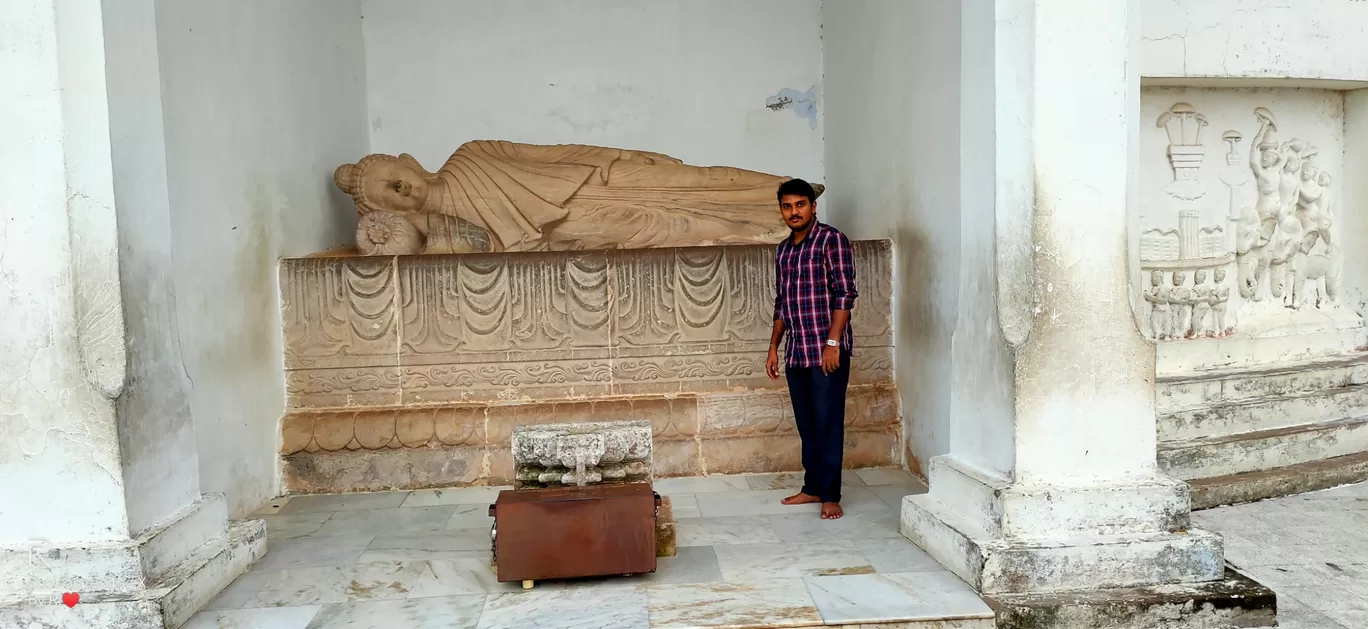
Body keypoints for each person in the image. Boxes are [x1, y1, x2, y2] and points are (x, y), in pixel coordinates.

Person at [764, 178, 858, 520]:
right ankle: (812, 487)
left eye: (800, 205)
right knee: (807, 424)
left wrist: (833, 342)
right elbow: (782, 303)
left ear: (812, 206)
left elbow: (844, 295)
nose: (794, 212)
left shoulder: (831, 240)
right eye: (787, 206)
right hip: (797, 352)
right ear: (782, 211)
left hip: (826, 352)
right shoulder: (783, 250)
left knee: (828, 422)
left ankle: (831, 494)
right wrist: (774, 347)